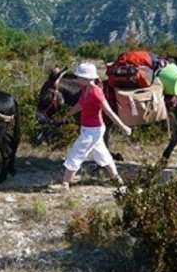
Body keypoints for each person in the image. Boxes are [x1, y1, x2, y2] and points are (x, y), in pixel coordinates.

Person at [49, 62, 132, 191]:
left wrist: (123, 126)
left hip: (93, 130)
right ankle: (117, 181)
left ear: (88, 78)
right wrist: (67, 115)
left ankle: (64, 184)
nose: (78, 79)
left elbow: (108, 111)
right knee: (103, 155)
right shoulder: (85, 89)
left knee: (75, 155)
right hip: (89, 129)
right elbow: (80, 104)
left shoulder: (96, 93)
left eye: (80, 77)